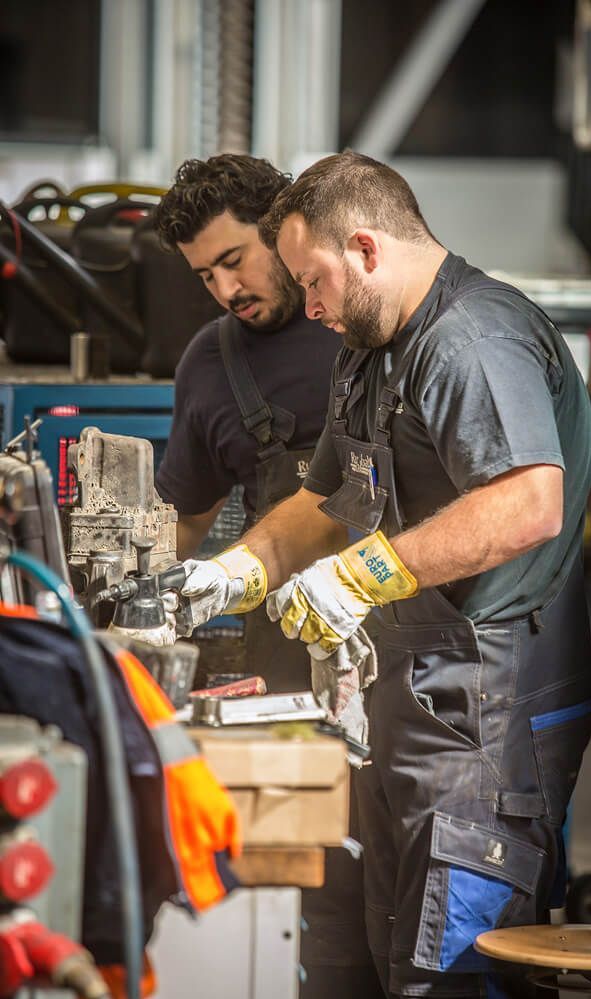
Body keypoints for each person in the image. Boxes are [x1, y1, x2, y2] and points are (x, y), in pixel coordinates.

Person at [174, 151, 591, 997]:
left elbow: (528, 503)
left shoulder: (471, 341)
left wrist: (360, 575)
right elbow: (324, 500)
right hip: (411, 697)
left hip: (491, 707)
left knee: (450, 973)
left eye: (316, 280)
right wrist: (230, 574)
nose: (312, 304)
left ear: (366, 248)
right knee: (380, 960)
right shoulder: (370, 350)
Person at [152, 153, 384, 999]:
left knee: (413, 892)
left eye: (234, 261)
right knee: (309, 892)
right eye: (204, 274)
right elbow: (176, 524)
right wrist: (156, 607)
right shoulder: (211, 365)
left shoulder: (371, 323)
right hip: (285, 661)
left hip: (410, 648)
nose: (224, 290)